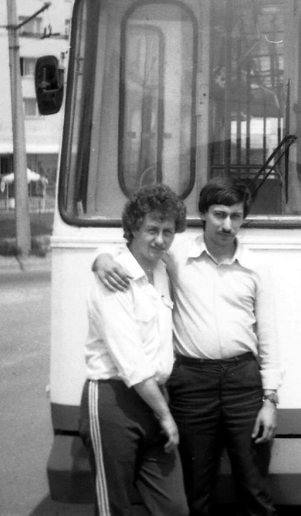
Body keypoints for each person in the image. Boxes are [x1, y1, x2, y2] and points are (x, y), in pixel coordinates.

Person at [96, 177, 280, 516]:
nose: (227, 225)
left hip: (244, 382)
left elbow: (268, 338)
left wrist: (270, 399)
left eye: (236, 216)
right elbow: (130, 246)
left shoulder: (258, 267)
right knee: (195, 487)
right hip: (192, 383)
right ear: (203, 214)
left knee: (255, 487)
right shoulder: (174, 255)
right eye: (219, 214)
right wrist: (101, 258)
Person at [81, 184, 189, 516]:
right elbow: (130, 361)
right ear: (133, 229)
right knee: (113, 507)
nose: (160, 239)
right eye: (152, 230)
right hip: (115, 400)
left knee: (174, 509)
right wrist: (166, 415)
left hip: (154, 396)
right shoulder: (113, 276)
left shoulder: (162, 270)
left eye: (168, 231)